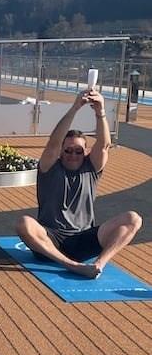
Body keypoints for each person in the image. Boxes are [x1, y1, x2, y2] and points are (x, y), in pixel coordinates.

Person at [16, 90, 142, 278]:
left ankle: (99, 264)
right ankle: (72, 266)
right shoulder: (50, 167)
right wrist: (75, 107)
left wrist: (100, 111)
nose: (73, 155)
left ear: (85, 152)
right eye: (68, 150)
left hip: (83, 239)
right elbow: (53, 143)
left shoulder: (91, 168)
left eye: (78, 151)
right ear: (61, 151)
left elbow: (104, 145)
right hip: (51, 240)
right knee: (23, 223)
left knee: (133, 219)